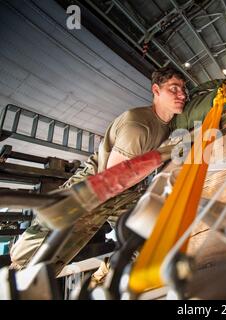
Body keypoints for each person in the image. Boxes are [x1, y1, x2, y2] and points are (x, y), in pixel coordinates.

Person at [9, 66, 187, 270]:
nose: (181, 94)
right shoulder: (138, 126)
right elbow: (114, 178)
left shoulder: (168, 123)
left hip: (121, 192)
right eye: (174, 89)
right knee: (45, 250)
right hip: (96, 186)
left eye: (183, 89)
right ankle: (14, 278)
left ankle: (117, 272)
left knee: (149, 236)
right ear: (156, 90)